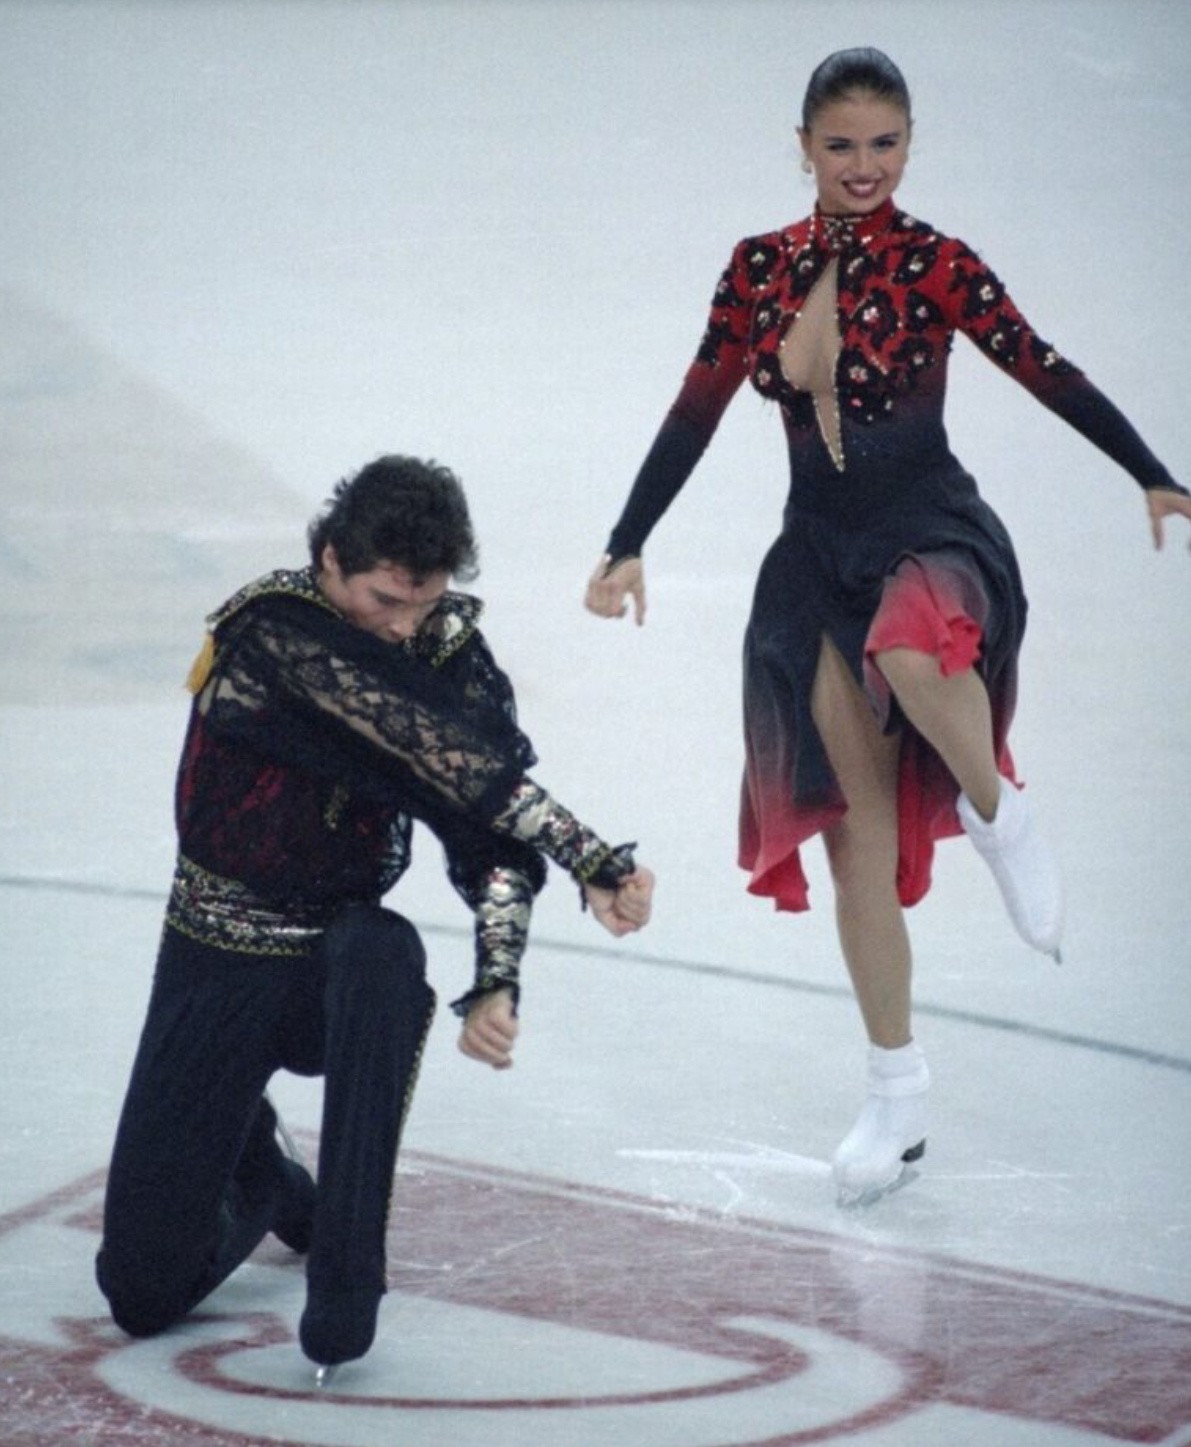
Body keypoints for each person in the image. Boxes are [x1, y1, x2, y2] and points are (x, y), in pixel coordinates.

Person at [585, 48, 1189, 1207]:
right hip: (816, 561)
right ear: (803, 146)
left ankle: (1000, 815)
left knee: (911, 645)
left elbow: (1041, 365)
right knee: (852, 837)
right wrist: (628, 539)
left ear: (909, 143)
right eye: (841, 145)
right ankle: (895, 1097)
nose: (865, 166)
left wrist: (1150, 471)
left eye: (886, 143)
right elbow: (695, 407)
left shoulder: (938, 262)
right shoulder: (758, 269)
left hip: (931, 532)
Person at [97, 454, 655, 1380]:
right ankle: (264, 1174)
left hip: (336, 966)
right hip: (217, 954)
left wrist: (497, 975)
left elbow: (488, 831)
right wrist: (592, 855)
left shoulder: (445, 650)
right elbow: (441, 758)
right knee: (140, 1290)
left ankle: (348, 1279)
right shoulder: (273, 634)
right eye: (385, 599)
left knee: (381, 953)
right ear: (329, 561)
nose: (402, 625)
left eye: (423, 602)